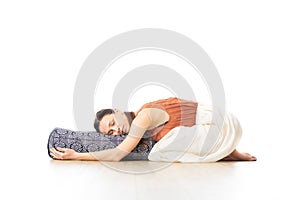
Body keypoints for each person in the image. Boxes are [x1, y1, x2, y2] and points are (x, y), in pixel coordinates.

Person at [50, 97, 257, 161]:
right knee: (164, 143)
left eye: (113, 123)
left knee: (157, 154)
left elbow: (117, 154)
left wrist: (77, 156)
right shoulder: (142, 113)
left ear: (117, 110)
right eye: (111, 133)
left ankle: (228, 152)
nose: (116, 131)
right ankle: (229, 152)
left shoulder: (143, 117)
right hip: (223, 124)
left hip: (220, 125)